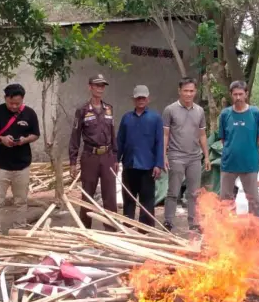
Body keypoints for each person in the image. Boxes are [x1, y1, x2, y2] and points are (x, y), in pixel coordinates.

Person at [0, 83, 41, 234]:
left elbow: (35, 134)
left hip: (22, 166)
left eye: (17, 103)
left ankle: (19, 229)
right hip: (0, 166)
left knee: (21, 201)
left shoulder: (30, 113)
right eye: (11, 103)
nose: (14, 106)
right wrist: (1, 139)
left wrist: (24, 140)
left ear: (22, 100)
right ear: (5, 98)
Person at [69, 74, 118, 228]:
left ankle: (111, 229)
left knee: (109, 195)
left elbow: (113, 133)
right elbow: (75, 136)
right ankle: (85, 229)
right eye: (97, 85)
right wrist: (72, 161)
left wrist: (115, 157)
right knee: (87, 194)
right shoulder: (82, 110)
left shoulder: (109, 109)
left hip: (108, 156)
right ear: (90, 87)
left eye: (102, 86)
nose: (100, 88)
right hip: (90, 156)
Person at [162, 77, 210, 231]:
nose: (188, 94)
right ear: (179, 91)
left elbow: (202, 135)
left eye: (191, 91)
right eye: (185, 91)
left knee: (194, 193)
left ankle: (194, 222)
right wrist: (163, 155)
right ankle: (168, 221)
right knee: (173, 192)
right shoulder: (170, 110)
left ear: (195, 92)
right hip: (176, 156)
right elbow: (165, 135)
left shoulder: (199, 111)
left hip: (195, 157)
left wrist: (207, 156)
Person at [117, 85, 164, 226]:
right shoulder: (126, 118)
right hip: (129, 165)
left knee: (147, 201)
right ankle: (128, 227)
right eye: (138, 98)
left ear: (148, 99)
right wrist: (115, 159)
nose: (141, 100)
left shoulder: (155, 118)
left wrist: (158, 164)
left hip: (147, 167)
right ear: (133, 100)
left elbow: (159, 143)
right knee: (129, 199)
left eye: (143, 98)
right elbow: (120, 141)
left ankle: (146, 230)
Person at [217, 80, 259, 219]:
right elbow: (223, 139)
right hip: (229, 163)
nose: (238, 97)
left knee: (254, 199)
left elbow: (258, 137)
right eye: (235, 94)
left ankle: (254, 230)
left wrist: (247, 148)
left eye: (241, 94)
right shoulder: (225, 114)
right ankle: (227, 230)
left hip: (249, 163)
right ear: (231, 95)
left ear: (246, 94)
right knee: (225, 199)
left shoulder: (255, 113)